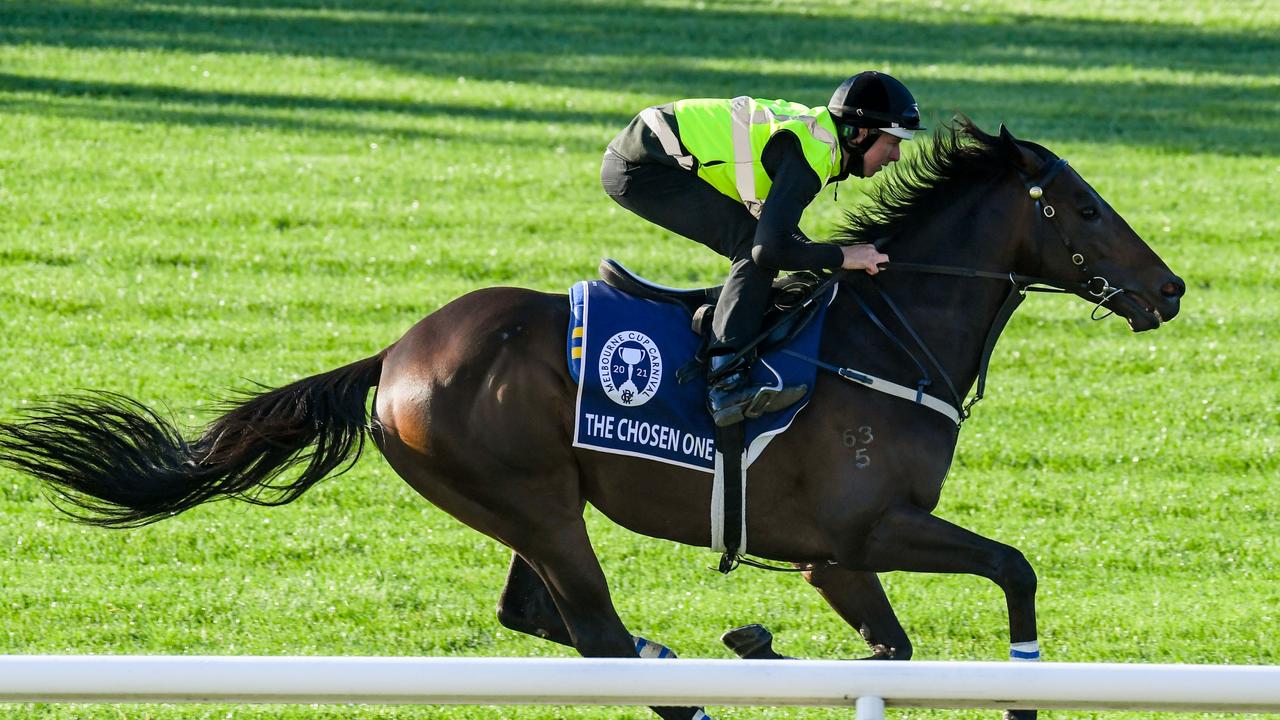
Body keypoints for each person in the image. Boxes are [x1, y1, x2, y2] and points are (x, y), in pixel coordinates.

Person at [601, 71, 923, 426]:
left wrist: (831, 256)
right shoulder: (813, 153)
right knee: (752, 247)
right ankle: (725, 383)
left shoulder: (820, 142)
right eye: (893, 142)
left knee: (760, 243)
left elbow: (781, 240)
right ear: (860, 134)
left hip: (655, 149)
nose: (895, 156)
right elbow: (768, 250)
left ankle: (725, 320)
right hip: (642, 165)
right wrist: (843, 256)